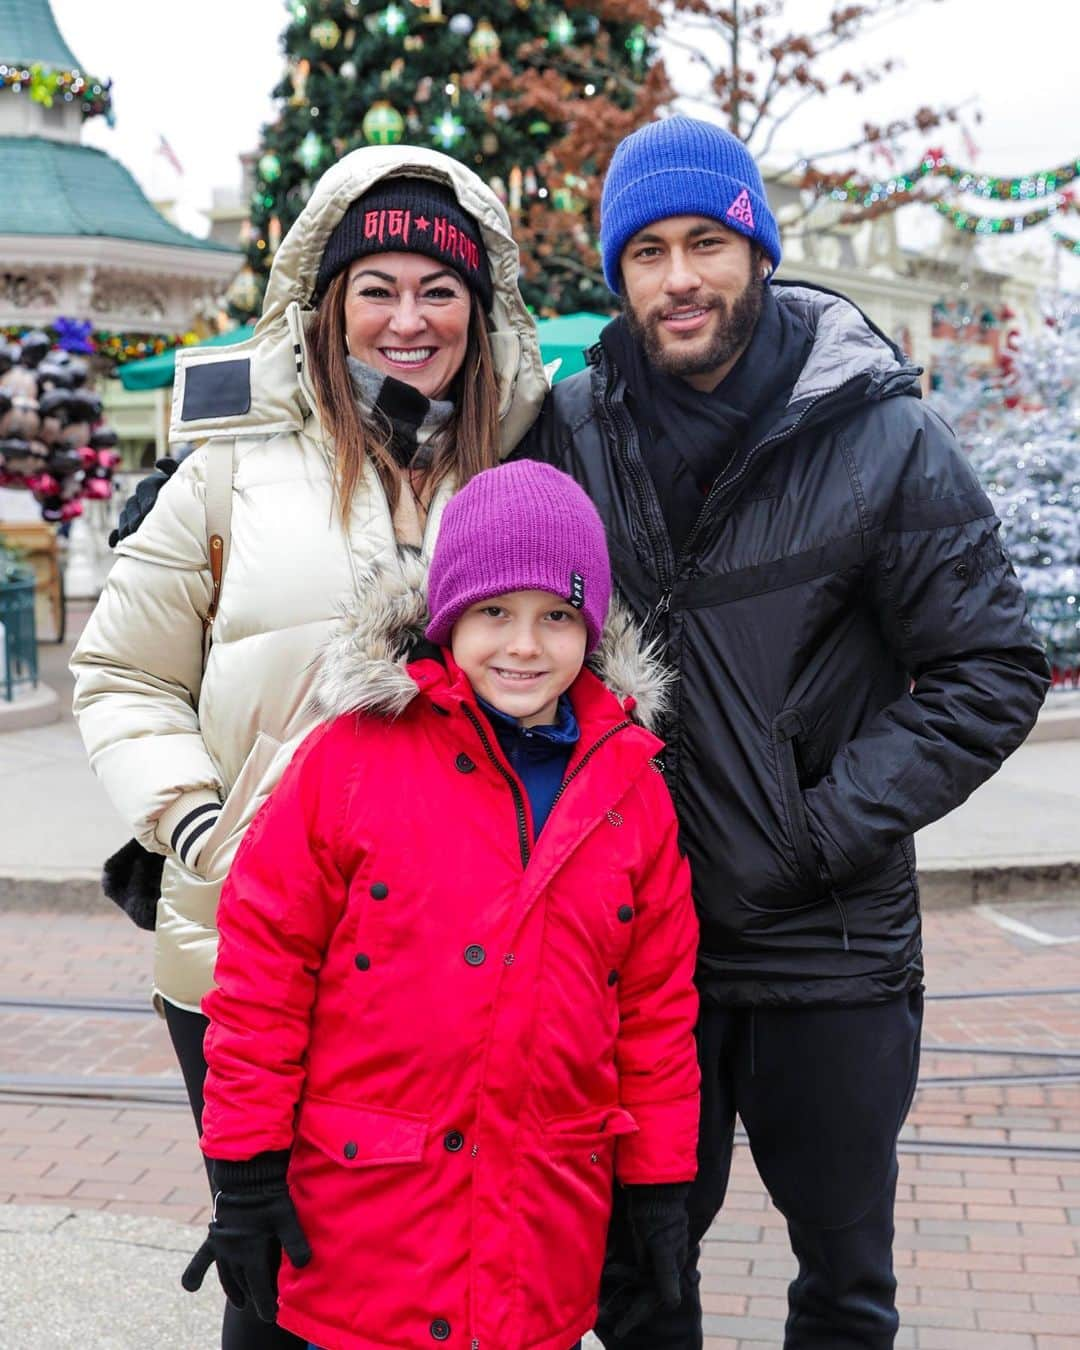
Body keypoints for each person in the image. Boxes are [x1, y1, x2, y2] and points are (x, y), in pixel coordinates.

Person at [517, 116, 1050, 1349]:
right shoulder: (575, 432)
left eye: (707, 241)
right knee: (637, 1281)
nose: (680, 277)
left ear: (758, 250)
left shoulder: (881, 433)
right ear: (620, 276)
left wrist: (813, 831)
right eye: (647, 252)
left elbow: (992, 666)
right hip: (637, 955)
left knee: (844, 1286)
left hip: (834, 951)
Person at [70, 145, 549, 1350]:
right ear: (328, 302)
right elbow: (122, 670)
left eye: (438, 289)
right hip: (240, 942)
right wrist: (191, 819)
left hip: (448, 956)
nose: (407, 318)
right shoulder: (229, 467)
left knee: (420, 1266)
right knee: (272, 1272)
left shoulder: (522, 467)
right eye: (375, 285)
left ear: (476, 306)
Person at [178, 461, 701, 1350]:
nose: (524, 648)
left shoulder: (629, 786)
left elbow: (655, 1008)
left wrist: (656, 1187)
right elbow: (264, 972)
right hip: (367, 1220)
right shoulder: (350, 759)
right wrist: (246, 1165)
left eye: (557, 617)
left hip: (539, 1222)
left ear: (592, 627)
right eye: (495, 613)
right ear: (449, 616)